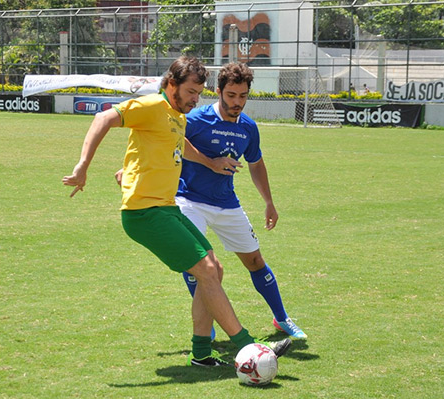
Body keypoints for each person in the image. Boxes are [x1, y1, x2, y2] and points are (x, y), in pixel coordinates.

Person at [63, 57, 290, 367]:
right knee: (208, 272)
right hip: (145, 213)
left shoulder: (178, 115)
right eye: (191, 92)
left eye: (199, 93)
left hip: (166, 208)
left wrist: (129, 169)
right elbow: (104, 119)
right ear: (172, 85)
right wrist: (82, 166)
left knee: (214, 269)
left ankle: (200, 355)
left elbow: (175, 148)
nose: (196, 99)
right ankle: (248, 347)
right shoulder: (151, 106)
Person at [177, 62, 307, 340]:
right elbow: (170, 140)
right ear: (219, 91)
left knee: (256, 260)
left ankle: (282, 319)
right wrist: (210, 162)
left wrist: (269, 202)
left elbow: (256, 164)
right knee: (199, 264)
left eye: (243, 96)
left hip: (227, 203)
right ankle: (206, 326)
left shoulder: (248, 128)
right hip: (189, 200)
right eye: (232, 95)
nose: (237, 103)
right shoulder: (197, 120)